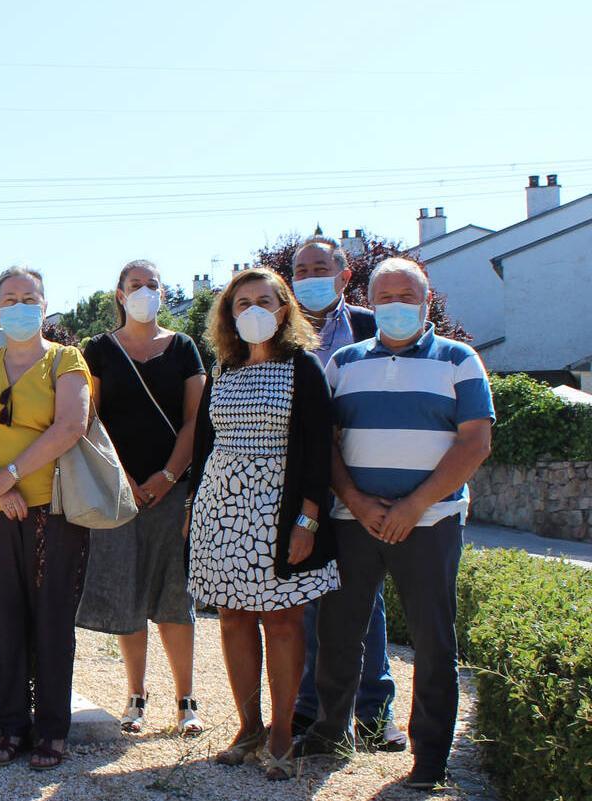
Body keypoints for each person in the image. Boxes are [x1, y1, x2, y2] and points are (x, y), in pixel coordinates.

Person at [302, 258, 493, 792]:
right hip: (352, 520)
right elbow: (327, 443)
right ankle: (328, 733)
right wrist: (358, 501)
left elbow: (475, 441)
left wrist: (414, 505)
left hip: (431, 522)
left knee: (434, 642)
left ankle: (431, 758)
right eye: (383, 296)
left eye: (406, 295)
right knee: (338, 633)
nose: (395, 305)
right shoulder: (344, 362)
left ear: (426, 301)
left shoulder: (460, 360)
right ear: (370, 300)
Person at [185, 267, 339, 780]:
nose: (253, 309)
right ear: (229, 314)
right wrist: (193, 506)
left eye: (264, 300)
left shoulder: (304, 368)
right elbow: (204, 443)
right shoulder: (222, 369)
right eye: (242, 301)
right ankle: (247, 727)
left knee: (282, 620)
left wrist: (308, 520)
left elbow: (319, 449)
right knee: (231, 616)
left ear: (284, 309)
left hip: (279, 509)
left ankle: (280, 734)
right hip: (221, 509)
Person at [0, 266, 91, 770]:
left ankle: (53, 730)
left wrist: (10, 474)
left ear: (43, 304)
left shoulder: (66, 360)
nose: (19, 306)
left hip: (52, 511)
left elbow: (71, 424)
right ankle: (12, 726)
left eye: (28, 297)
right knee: (3, 622)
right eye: (9, 299)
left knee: (53, 620)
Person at [75, 260, 207, 736]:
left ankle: (186, 698)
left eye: (152, 285)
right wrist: (126, 479)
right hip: (120, 491)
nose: (144, 292)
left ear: (163, 293)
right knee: (129, 593)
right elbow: (92, 418)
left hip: (174, 490)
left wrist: (169, 476)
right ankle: (135, 696)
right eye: (135, 286)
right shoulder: (99, 350)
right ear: (119, 294)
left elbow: (196, 418)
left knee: (175, 595)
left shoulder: (185, 347)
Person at [288, 238, 405, 751]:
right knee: (307, 600)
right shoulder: (274, 329)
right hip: (300, 488)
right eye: (301, 269)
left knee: (366, 603)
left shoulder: (374, 326)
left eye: (320, 267)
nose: (310, 276)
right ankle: (309, 709)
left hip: (360, 487)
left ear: (344, 273)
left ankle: (375, 715)